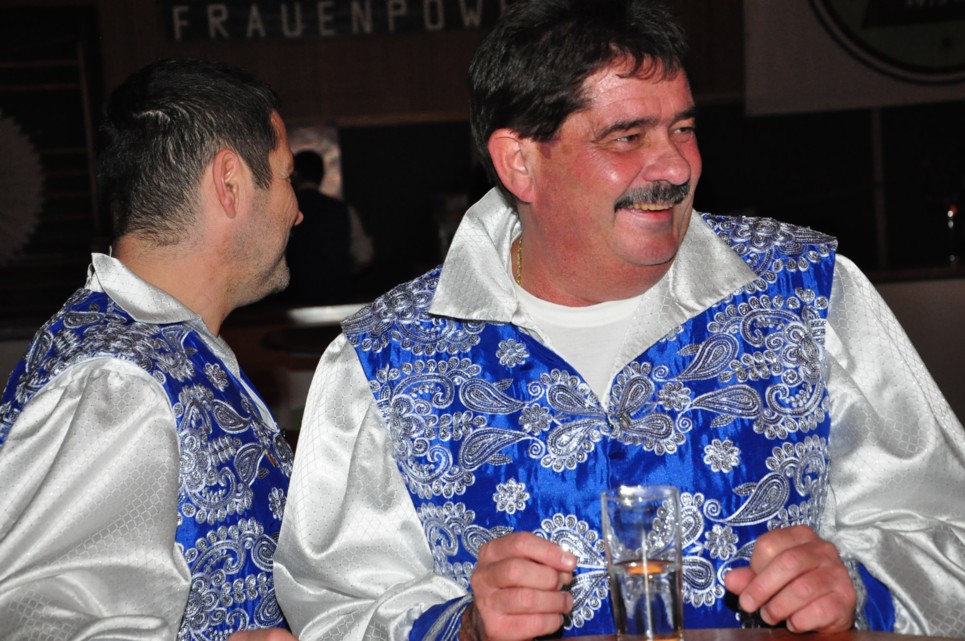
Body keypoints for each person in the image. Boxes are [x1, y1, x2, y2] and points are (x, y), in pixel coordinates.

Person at [274, 1, 965, 639]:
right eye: (627, 136)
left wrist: (859, 588)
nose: (675, 166)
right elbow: (332, 608)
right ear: (519, 162)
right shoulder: (388, 357)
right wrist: (462, 627)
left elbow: (949, 531)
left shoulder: (807, 293)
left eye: (683, 128)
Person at [0, 58, 302, 641]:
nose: (298, 210)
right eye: (287, 175)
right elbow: (33, 622)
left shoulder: (155, 349)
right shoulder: (117, 382)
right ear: (230, 182)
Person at [286, 150, 354, 305]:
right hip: (337, 299)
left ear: (296, 175)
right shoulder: (342, 210)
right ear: (322, 175)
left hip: (294, 301)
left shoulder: (285, 210)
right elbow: (364, 256)